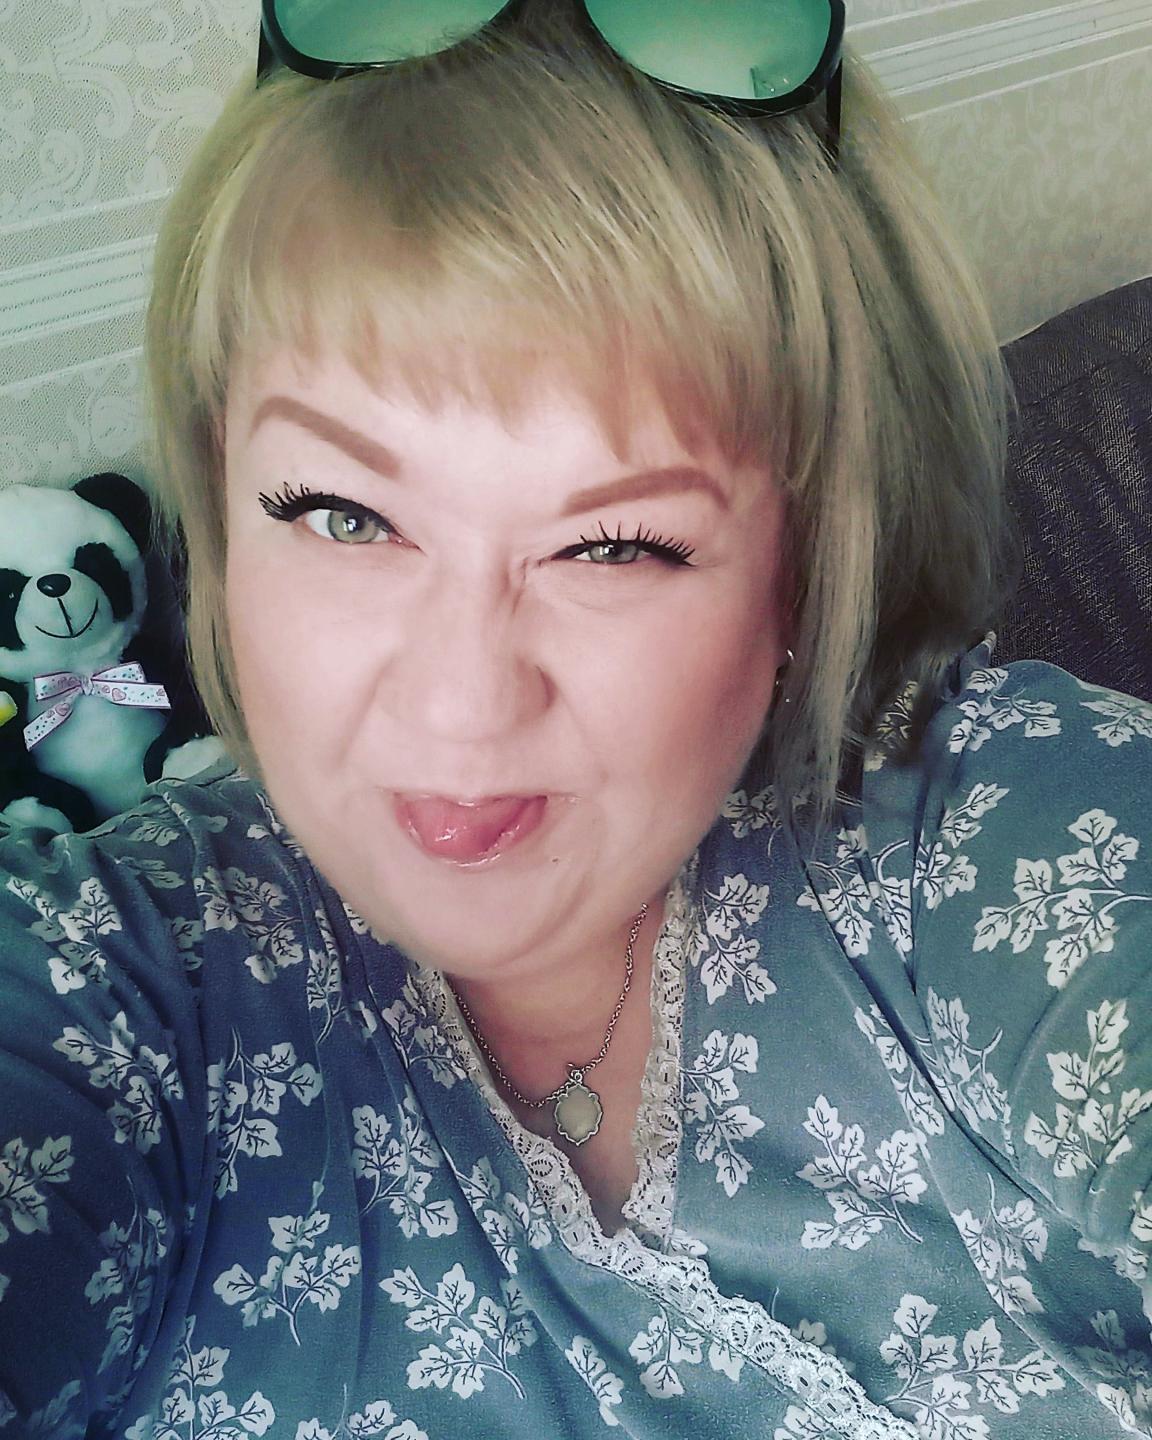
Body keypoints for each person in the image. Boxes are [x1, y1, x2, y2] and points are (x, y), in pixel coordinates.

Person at [2, 2, 1151, 1436]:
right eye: (344, 513)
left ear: (805, 568)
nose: (459, 701)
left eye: (615, 545)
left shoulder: (993, 846)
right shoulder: (117, 975)